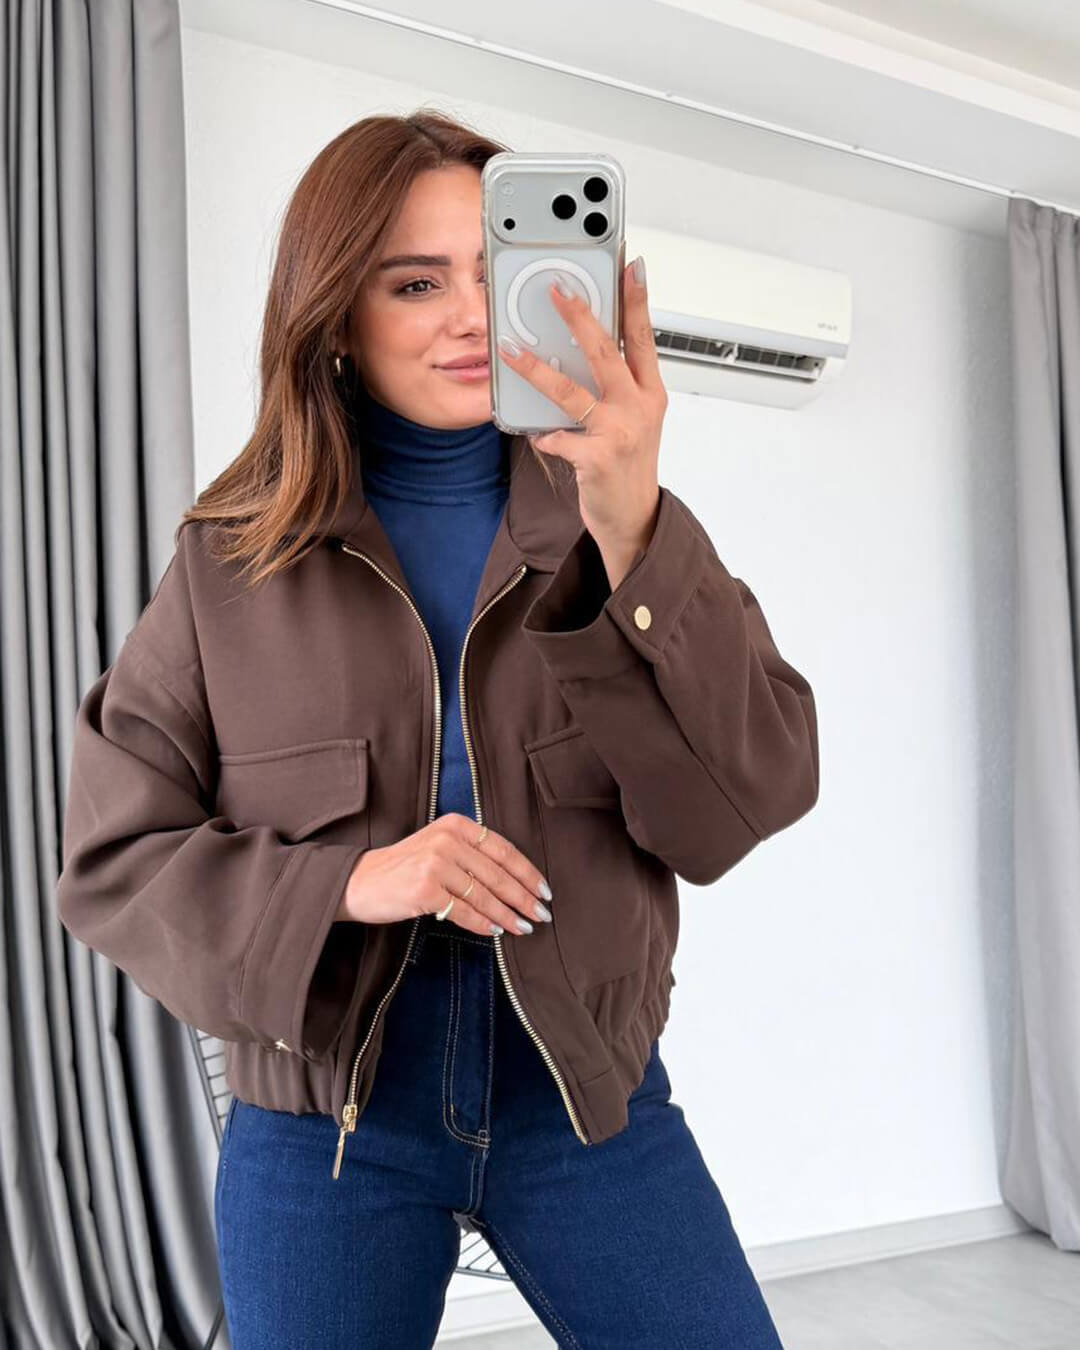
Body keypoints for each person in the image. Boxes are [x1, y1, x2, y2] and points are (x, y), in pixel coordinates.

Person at [57, 109, 819, 1348]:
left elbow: (755, 796)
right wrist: (352, 882)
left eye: (496, 274)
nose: (472, 317)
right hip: (330, 1121)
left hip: (583, 1094)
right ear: (335, 318)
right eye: (416, 284)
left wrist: (636, 527)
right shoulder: (228, 565)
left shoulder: (616, 527)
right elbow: (113, 857)